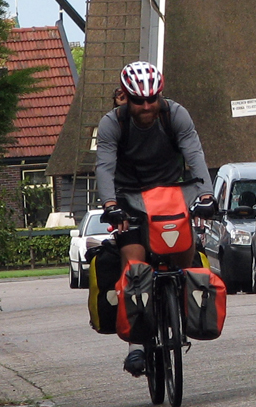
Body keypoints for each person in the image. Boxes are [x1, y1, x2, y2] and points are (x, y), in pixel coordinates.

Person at [96, 61, 215, 376]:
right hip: (129, 198)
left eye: (152, 99)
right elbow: (105, 167)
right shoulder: (112, 124)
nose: (147, 106)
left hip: (169, 194)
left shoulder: (175, 115)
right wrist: (110, 205)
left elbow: (194, 156)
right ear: (126, 97)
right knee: (134, 264)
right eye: (139, 100)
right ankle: (137, 345)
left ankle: (184, 308)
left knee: (185, 254)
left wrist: (206, 196)